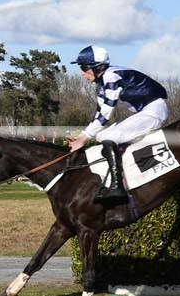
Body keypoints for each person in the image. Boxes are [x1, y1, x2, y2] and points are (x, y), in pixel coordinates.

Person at [66, 45, 169, 204]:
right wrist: (82, 136)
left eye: (84, 68)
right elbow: (99, 112)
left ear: (97, 67)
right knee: (102, 135)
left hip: (154, 111)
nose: (82, 73)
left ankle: (117, 186)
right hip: (147, 111)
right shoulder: (102, 82)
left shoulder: (111, 76)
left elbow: (106, 113)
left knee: (108, 136)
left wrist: (83, 139)